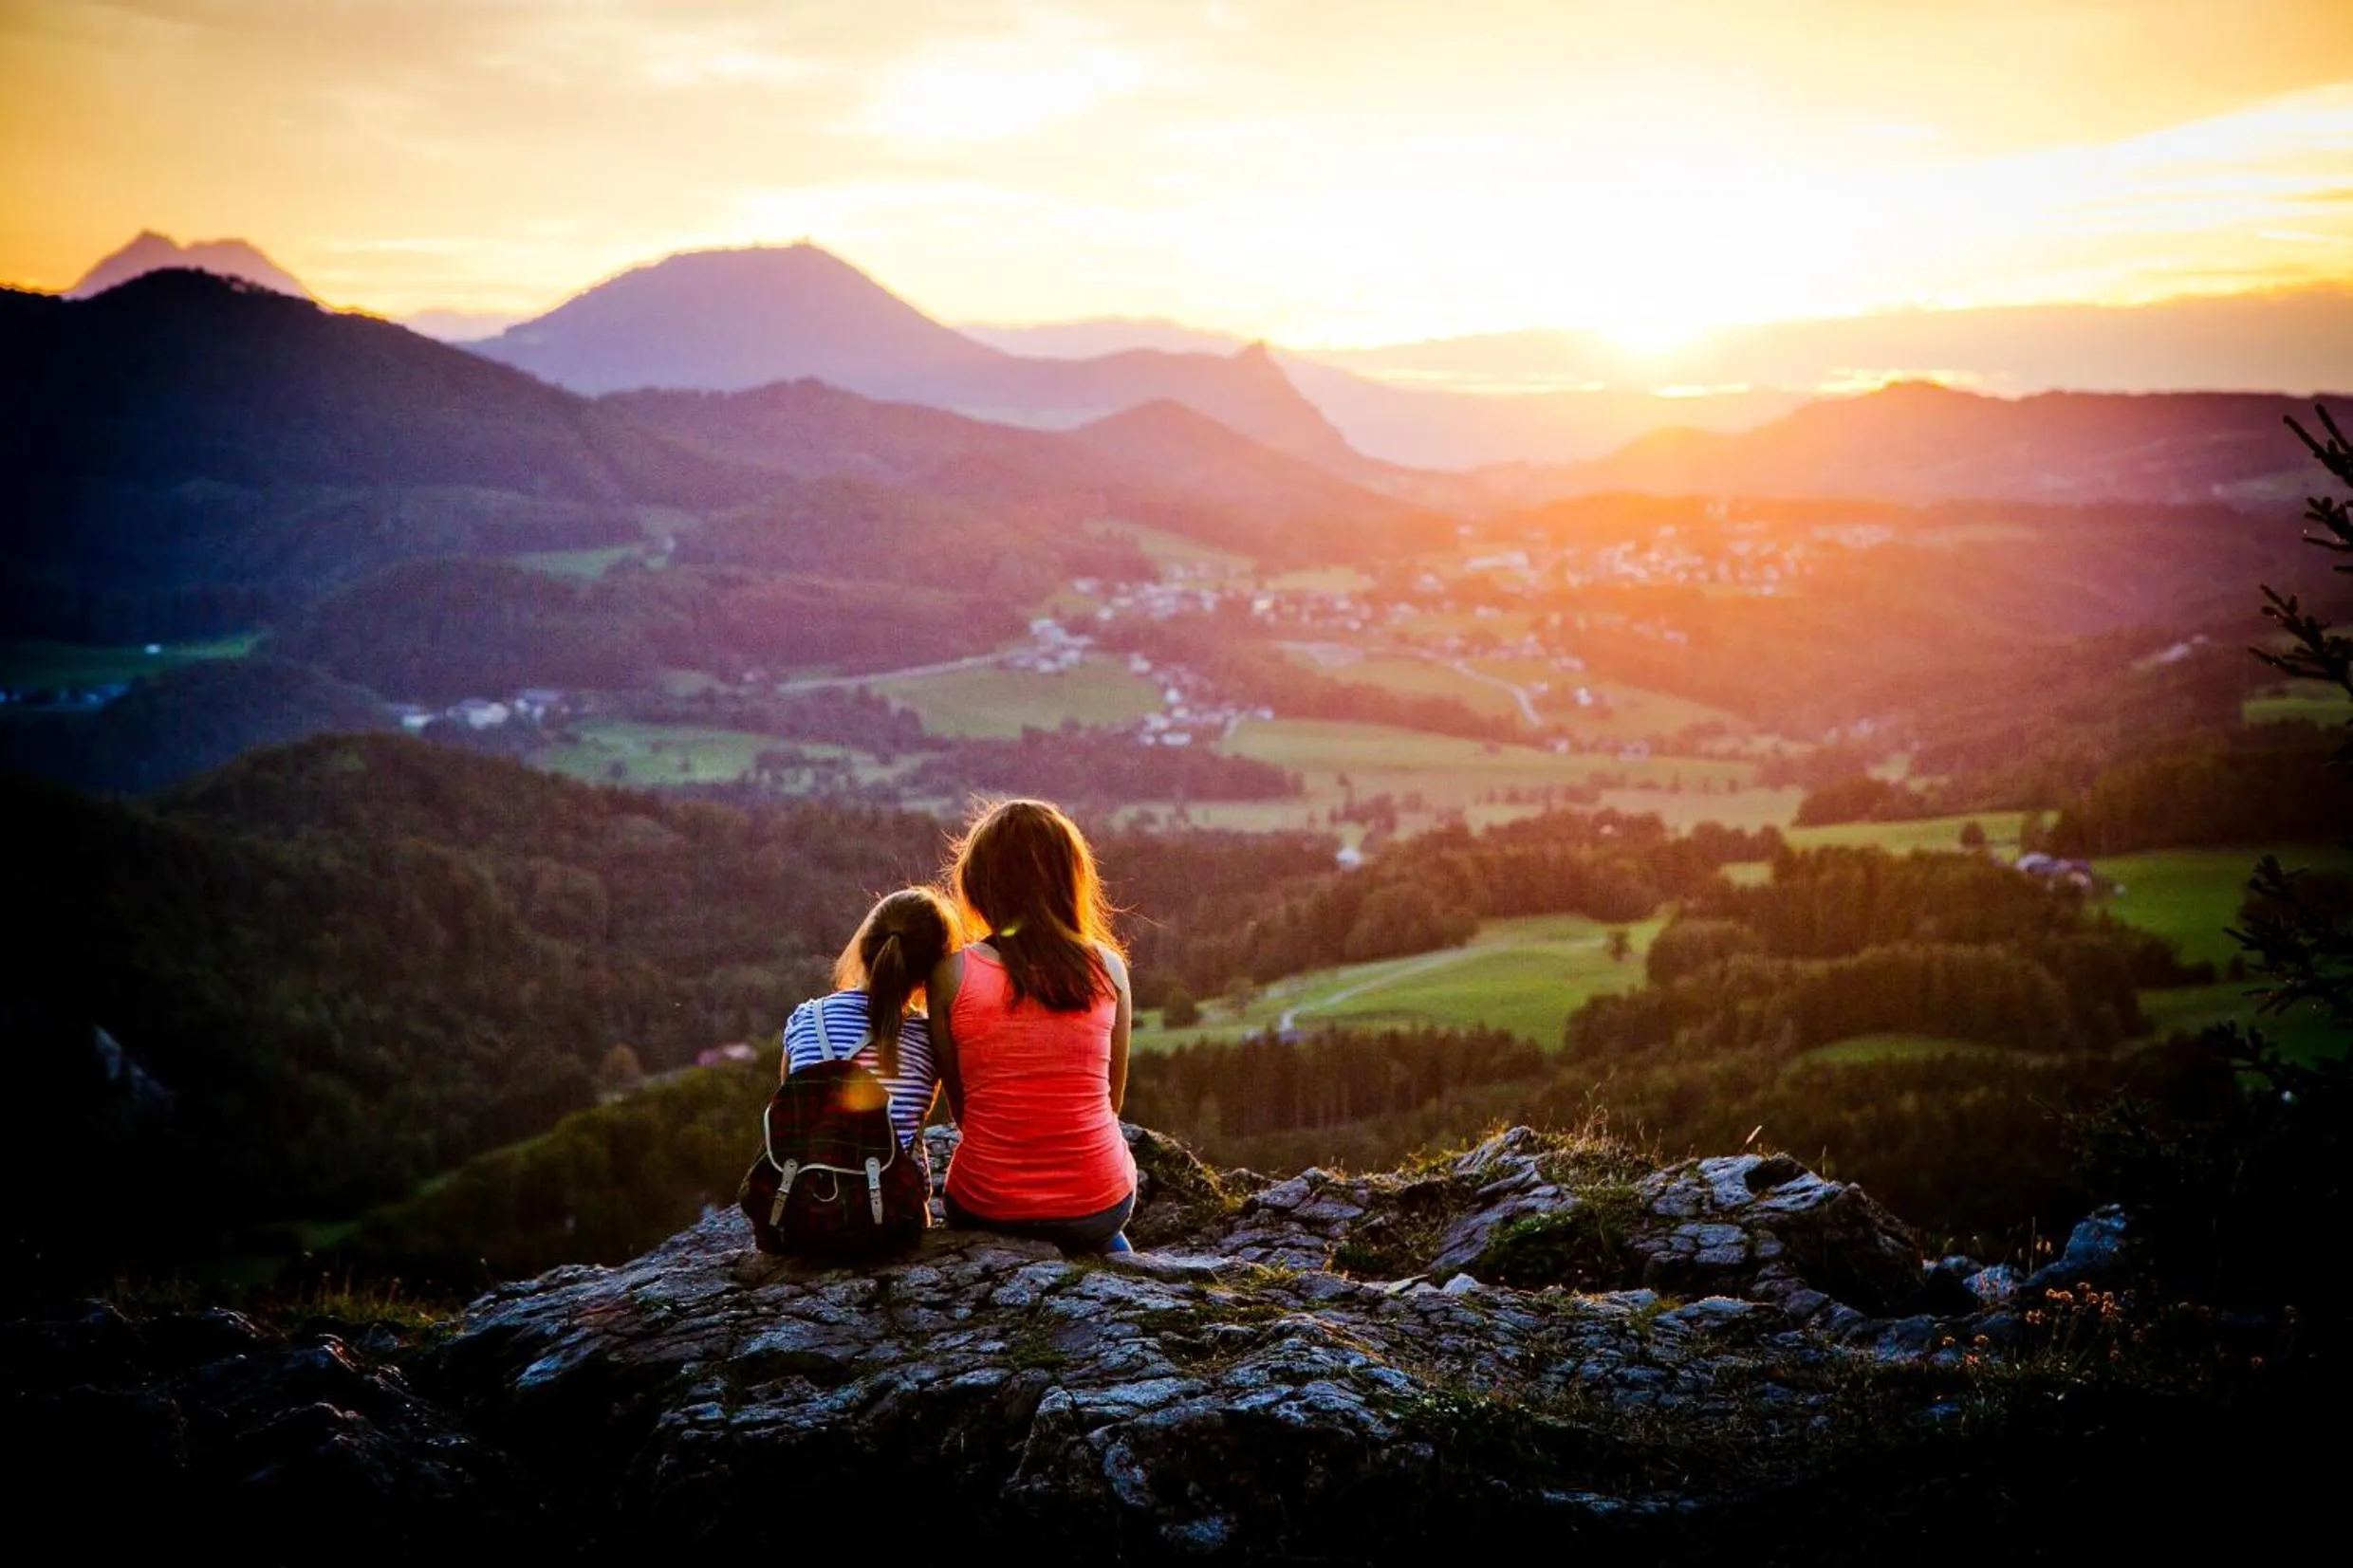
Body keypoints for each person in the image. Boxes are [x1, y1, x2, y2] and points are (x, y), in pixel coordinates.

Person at [928, 799, 1138, 1254]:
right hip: (1099, 1204)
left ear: (978, 884)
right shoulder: (1109, 970)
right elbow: (1111, 1102)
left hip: (986, 1203)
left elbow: (963, 1111)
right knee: (1103, 1235)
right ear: (1070, 880)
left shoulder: (950, 975)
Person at [781, 887, 956, 1175]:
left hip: (804, 1192)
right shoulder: (930, 1040)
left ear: (864, 945)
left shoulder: (806, 1018)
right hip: (888, 1199)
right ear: (933, 967)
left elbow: (789, 1104)